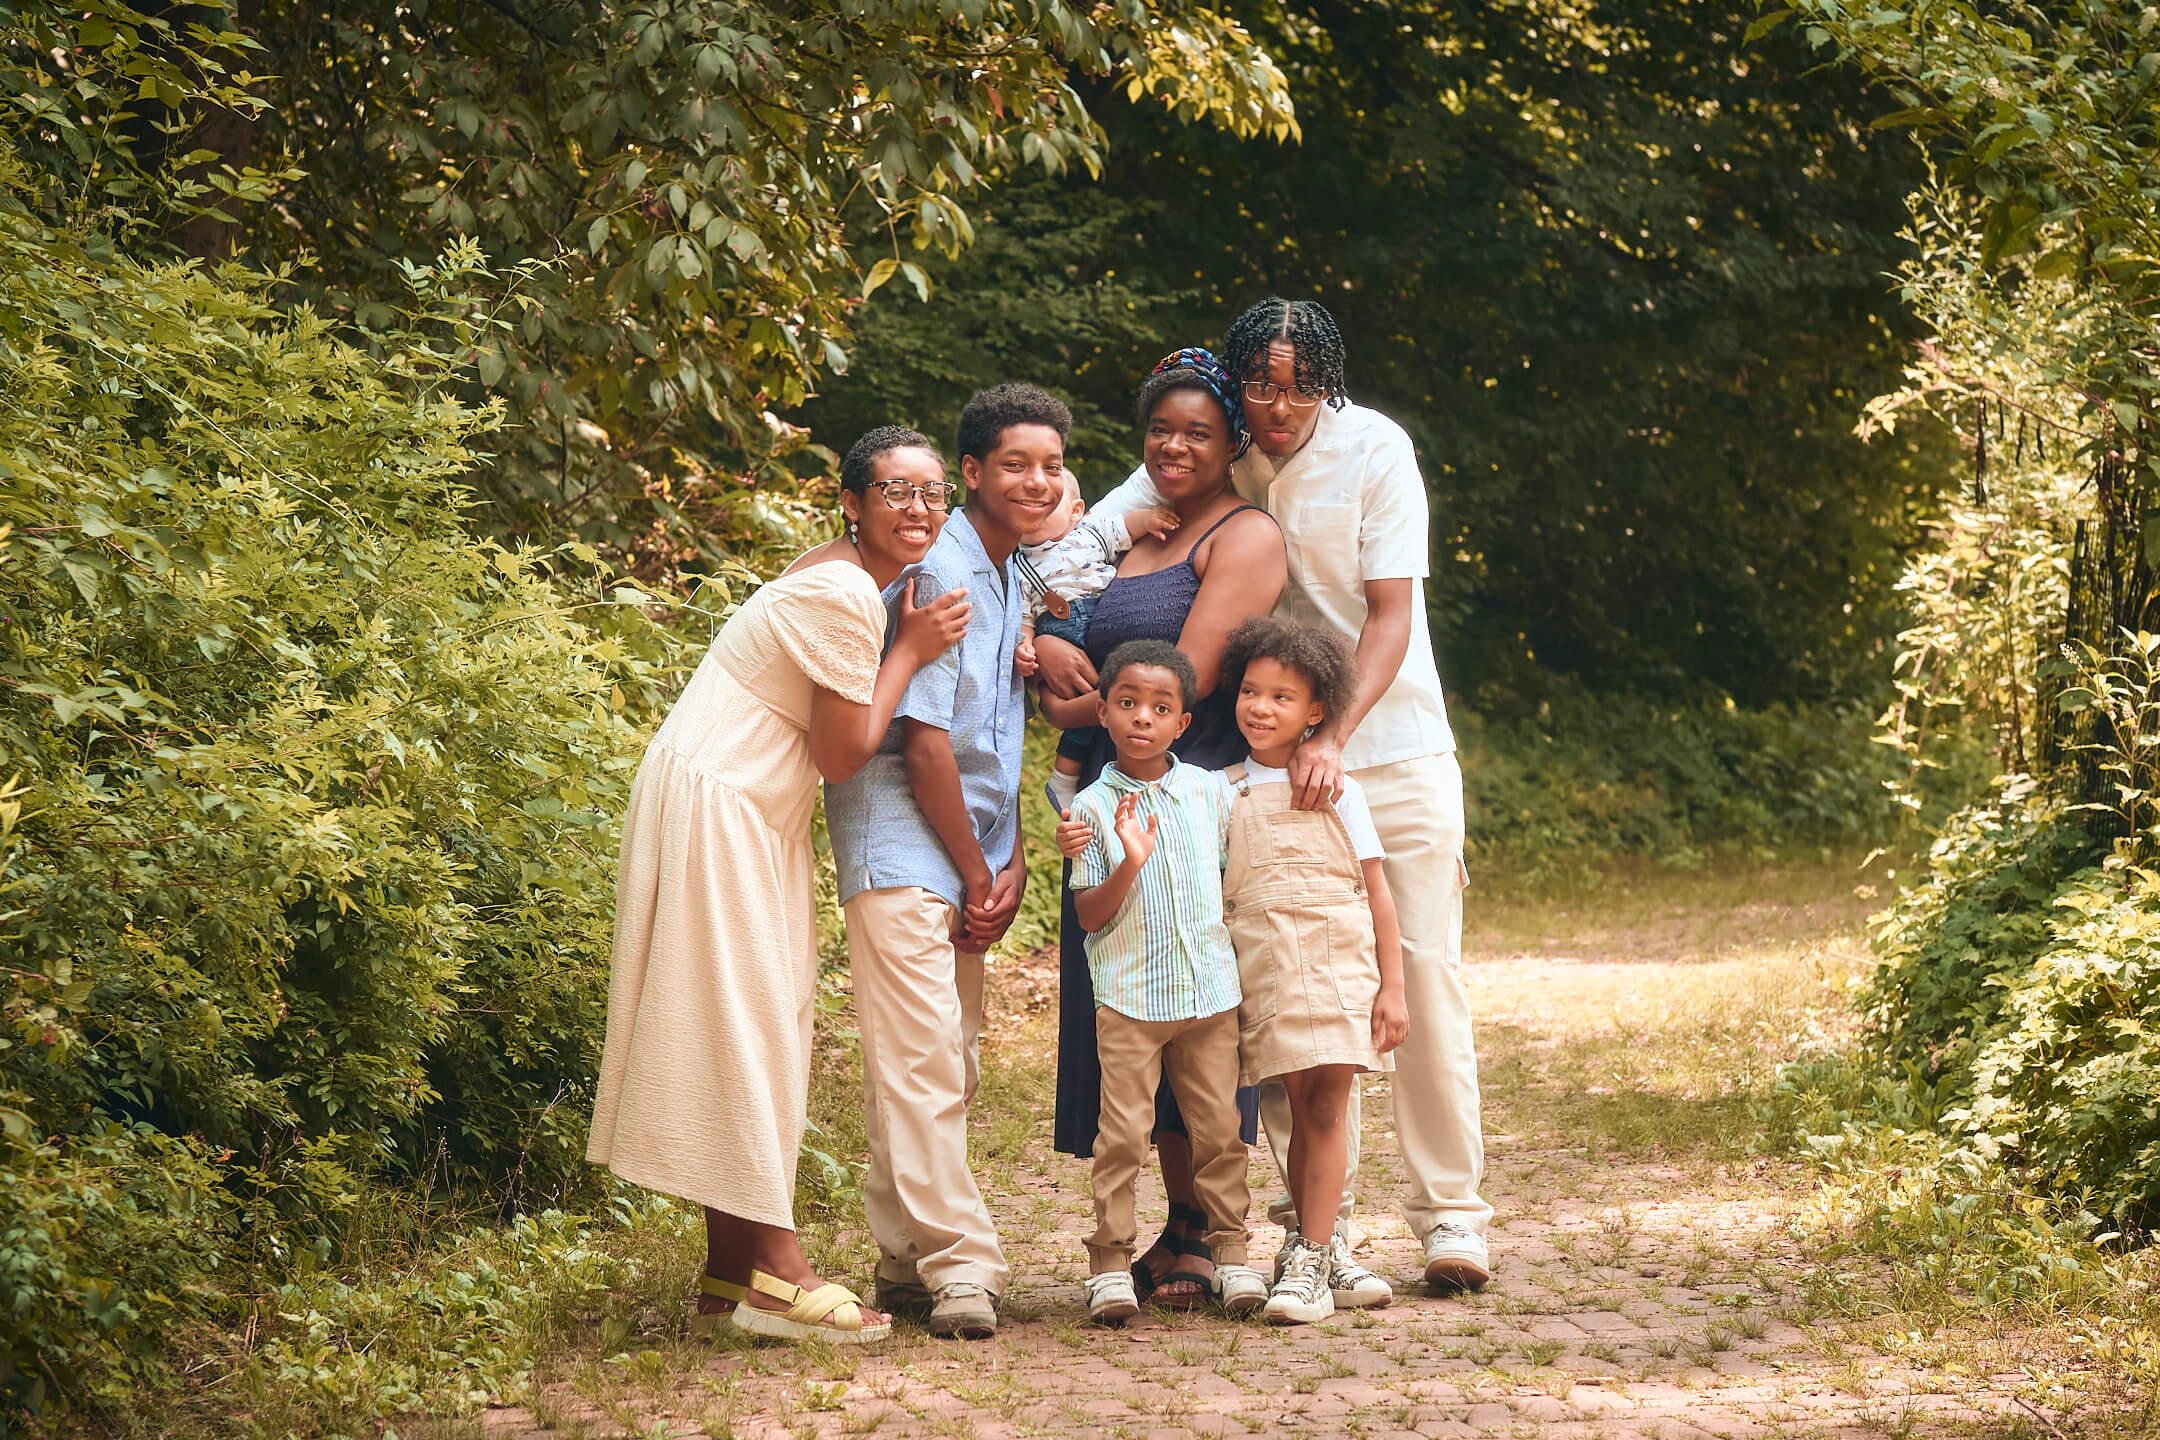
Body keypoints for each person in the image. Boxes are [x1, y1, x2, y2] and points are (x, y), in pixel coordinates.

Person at [1042, 298, 1493, 1293]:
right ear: (1237, 381)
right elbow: (1078, 544)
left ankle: (1450, 1216)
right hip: (1274, 768)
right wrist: (1049, 629)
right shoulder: (1222, 451)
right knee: (1283, 992)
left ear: (1328, 381)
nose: (1278, 405)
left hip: (1391, 751)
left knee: (1414, 975)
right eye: (1261, 384)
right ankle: (1316, 1232)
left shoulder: (1377, 450)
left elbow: (1388, 617)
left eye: (1298, 386)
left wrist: (1336, 736)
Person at [587, 426, 972, 1346]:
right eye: (895, 490)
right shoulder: (850, 595)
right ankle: (777, 1273)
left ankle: (732, 1267)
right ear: (851, 500)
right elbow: (841, 757)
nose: (918, 509)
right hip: (725, 808)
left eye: (932, 493)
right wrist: (910, 651)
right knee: (748, 1026)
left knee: (752, 1019)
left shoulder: (843, 571)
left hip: (742, 809)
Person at [1043, 347, 1287, 1308]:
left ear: (1233, 442)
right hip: (1111, 798)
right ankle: (1163, 1232)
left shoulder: (1244, 534)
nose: (1176, 445)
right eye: (1161, 430)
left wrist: (1068, 700)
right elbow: (1059, 613)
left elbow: (1179, 681)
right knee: (1127, 1001)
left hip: (1188, 797)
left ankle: (1199, 1231)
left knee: (1197, 999)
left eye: (1199, 430)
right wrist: (1054, 642)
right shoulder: (1133, 531)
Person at [824, 383, 1067, 1340]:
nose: (1037, 481)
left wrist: (998, 860)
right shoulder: (943, 573)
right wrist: (977, 872)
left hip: (969, 846)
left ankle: (900, 1259)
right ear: (972, 473)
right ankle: (963, 1265)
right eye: (1014, 464)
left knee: (940, 1063)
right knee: (927, 1062)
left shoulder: (1010, 569)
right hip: (900, 838)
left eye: (1050, 465)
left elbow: (988, 735)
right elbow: (922, 744)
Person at [1064, 640, 1267, 1325]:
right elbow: (1090, 915)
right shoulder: (1091, 810)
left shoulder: (1210, 792)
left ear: (1182, 723)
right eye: (1127, 703)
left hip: (1209, 994)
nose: (1142, 719)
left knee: (1219, 1132)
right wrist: (1128, 861)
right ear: (1103, 711)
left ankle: (1231, 1256)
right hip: (1130, 999)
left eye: (1160, 708)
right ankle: (1110, 1266)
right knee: (1121, 1135)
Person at [1011, 472, 1181, 812]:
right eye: (1028, 504)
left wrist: (1150, 519)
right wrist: (1026, 645)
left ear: (1076, 511)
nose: (1039, 510)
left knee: (1105, 700)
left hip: (1103, 620)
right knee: (1093, 704)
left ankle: (1068, 774)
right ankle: (1064, 774)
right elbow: (1024, 617)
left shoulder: (1089, 535)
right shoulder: (1015, 564)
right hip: (1061, 631)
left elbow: (1125, 527)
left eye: (1051, 503)